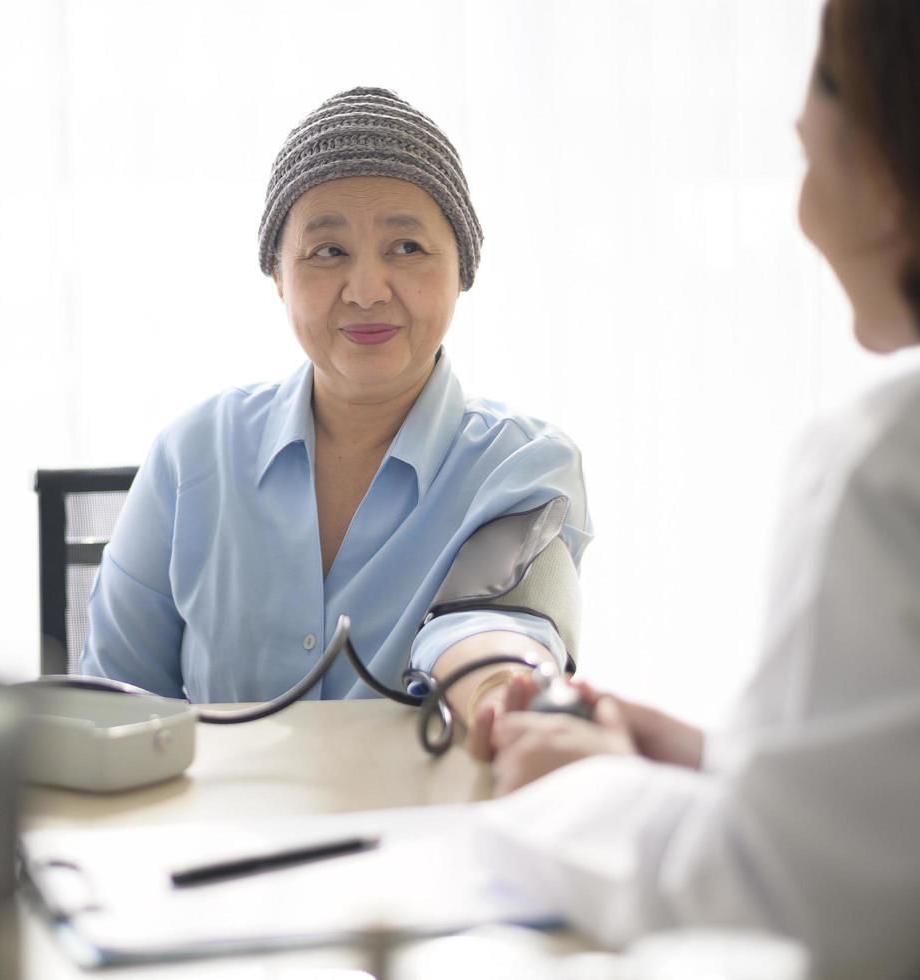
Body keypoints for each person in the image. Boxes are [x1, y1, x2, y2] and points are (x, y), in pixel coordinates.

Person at [470, 2, 920, 976]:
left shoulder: (905, 469)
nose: (800, 129)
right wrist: (733, 766)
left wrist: (582, 784)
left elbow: (806, 910)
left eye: (824, 88)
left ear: (901, 154)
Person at [81, 87, 590, 730]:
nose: (368, 290)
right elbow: (111, 710)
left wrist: (498, 689)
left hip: (431, 828)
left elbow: (497, 630)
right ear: (277, 276)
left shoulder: (523, 465)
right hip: (220, 829)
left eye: (407, 247)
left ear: (462, 269)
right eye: (328, 251)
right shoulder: (192, 455)